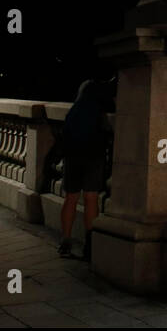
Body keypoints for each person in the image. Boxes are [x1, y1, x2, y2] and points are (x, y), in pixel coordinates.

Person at [58, 62, 116, 260]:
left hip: (73, 150)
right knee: (91, 198)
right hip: (93, 151)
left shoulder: (84, 89)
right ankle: (90, 243)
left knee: (71, 197)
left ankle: (65, 241)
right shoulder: (104, 93)